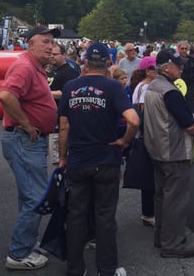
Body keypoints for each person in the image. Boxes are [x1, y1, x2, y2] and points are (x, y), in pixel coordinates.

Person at [58, 42, 139, 276]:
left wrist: (62, 158)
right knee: (104, 216)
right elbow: (133, 120)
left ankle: (75, 269)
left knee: (76, 216)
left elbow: (64, 127)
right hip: (106, 160)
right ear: (108, 63)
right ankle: (107, 269)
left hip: (78, 159)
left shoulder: (70, 87)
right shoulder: (113, 87)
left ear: (84, 62)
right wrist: (125, 141)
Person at [0, 25, 60, 270]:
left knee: (29, 196)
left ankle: (26, 242)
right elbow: (5, 95)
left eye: (51, 42)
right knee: (36, 198)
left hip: (29, 141)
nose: (50, 46)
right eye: (44, 42)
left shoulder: (35, 67)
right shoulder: (24, 66)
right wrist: (26, 123)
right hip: (25, 140)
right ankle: (19, 253)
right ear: (30, 43)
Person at [143, 49, 194, 258]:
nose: (181, 68)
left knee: (162, 197)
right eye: (177, 65)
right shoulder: (170, 91)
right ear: (166, 67)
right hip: (173, 151)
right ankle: (172, 243)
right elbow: (188, 123)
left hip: (156, 149)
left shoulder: (152, 86)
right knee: (175, 198)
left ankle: (162, 236)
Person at [129, 55, 158, 227]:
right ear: (148, 71)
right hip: (146, 135)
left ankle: (148, 212)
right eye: (155, 69)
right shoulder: (146, 87)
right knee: (150, 176)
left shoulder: (139, 85)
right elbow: (145, 113)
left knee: (149, 175)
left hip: (142, 135)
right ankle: (149, 213)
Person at [47, 43, 79, 170]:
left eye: (55, 54)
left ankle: (64, 184)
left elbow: (67, 93)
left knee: (59, 159)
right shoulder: (51, 71)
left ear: (64, 55)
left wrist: (45, 94)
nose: (52, 57)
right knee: (54, 158)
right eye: (50, 54)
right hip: (50, 120)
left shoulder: (69, 72)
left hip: (62, 120)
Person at [177, 41, 194, 113]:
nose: (184, 50)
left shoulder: (192, 60)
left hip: (190, 87)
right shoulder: (174, 59)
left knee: (188, 109)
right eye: (182, 48)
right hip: (177, 87)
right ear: (178, 49)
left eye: (185, 49)